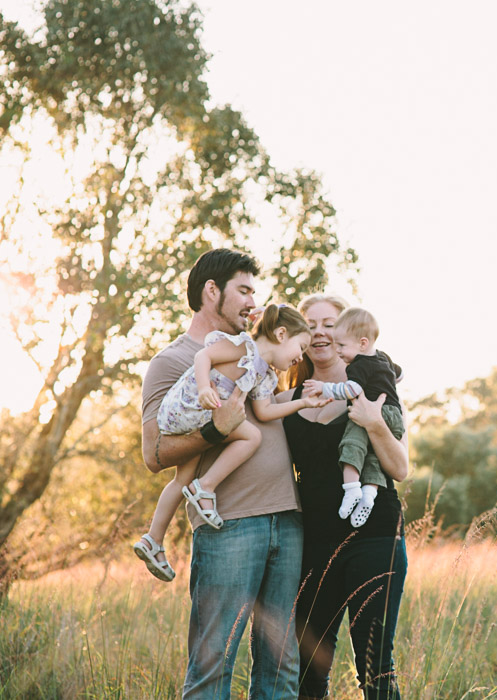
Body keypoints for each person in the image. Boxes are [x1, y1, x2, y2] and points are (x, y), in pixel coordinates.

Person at [140, 248, 307, 699]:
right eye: (244, 291)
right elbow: (154, 453)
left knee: (282, 668)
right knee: (213, 666)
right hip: (229, 525)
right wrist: (216, 430)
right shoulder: (172, 361)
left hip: (289, 521)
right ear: (212, 291)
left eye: (256, 291)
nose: (254, 302)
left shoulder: (258, 353)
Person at [134, 303, 324, 582]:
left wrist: (303, 403)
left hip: (201, 419)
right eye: (302, 346)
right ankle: (206, 488)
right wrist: (202, 389)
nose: (300, 357)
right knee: (252, 436)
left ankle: (153, 540)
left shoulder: (263, 374)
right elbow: (203, 357)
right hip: (190, 407)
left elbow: (264, 411)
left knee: (181, 480)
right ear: (282, 334)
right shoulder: (245, 348)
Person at [280, 294, 409, 700]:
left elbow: (400, 469)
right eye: (309, 323)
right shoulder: (285, 399)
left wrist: (373, 423)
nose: (319, 331)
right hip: (314, 544)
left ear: (349, 333)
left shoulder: (372, 390)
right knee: (307, 669)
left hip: (374, 537)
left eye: (329, 323)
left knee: (374, 669)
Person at [303, 307, 404, 528]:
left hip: (376, 411)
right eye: (311, 326)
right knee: (374, 458)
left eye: (341, 344)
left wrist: (325, 388)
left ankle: (351, 490)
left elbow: (351, 390)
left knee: (352, 444)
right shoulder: (381, 357)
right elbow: (399, 373)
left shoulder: (359, 364)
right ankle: (368, 495)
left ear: (362, 343)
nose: (337, 349)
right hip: (394, 413)